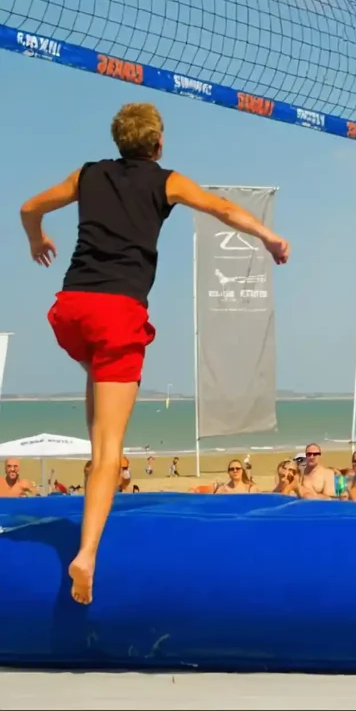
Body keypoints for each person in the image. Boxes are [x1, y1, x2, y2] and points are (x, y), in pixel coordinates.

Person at [19, 101, 290, 605]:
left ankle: (94, 486)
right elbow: (223, 209)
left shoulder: (87, 175)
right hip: (118, 314)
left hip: (71, 310)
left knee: (97, 394)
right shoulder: (167, 180)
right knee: (109, 451)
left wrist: (37, 241)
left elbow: (28, 208)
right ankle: (87, 555)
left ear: (117, 141)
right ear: (158, 143)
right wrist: (269, 236)